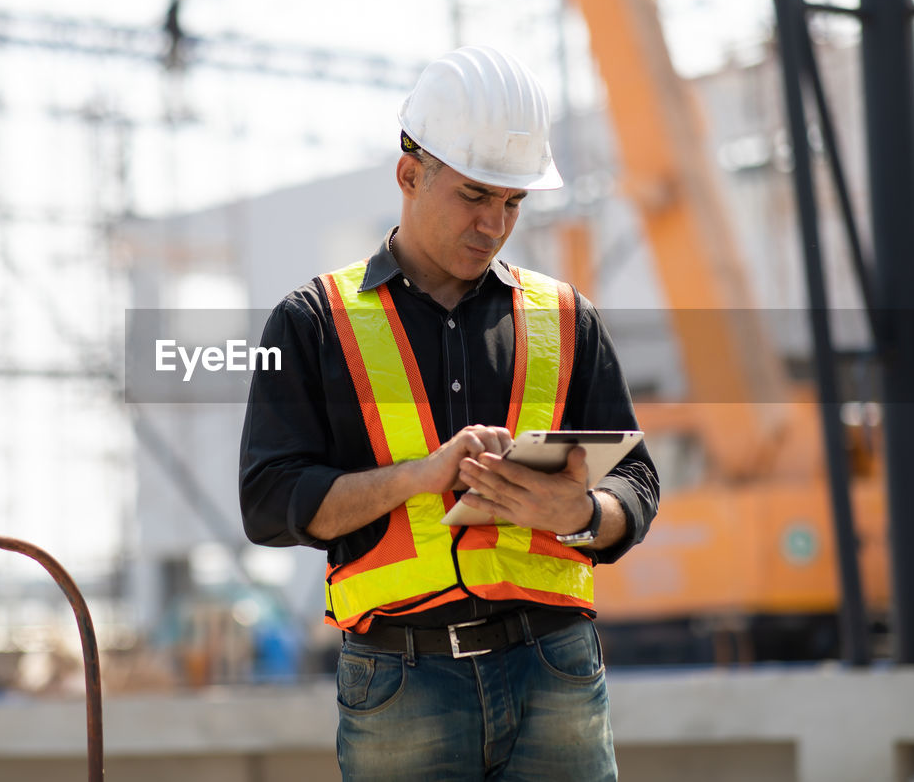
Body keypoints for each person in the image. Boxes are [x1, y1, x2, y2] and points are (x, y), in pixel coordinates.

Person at [239, 45, 659, 781]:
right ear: (410, 174)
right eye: (475, 195)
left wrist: (584, 510)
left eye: (513, 202)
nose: (495, 223)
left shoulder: (565, 317)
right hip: (403, 683)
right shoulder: (314, 322)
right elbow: (269, 503)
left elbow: (639, 483)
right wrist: (421, 476)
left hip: (555, 668)